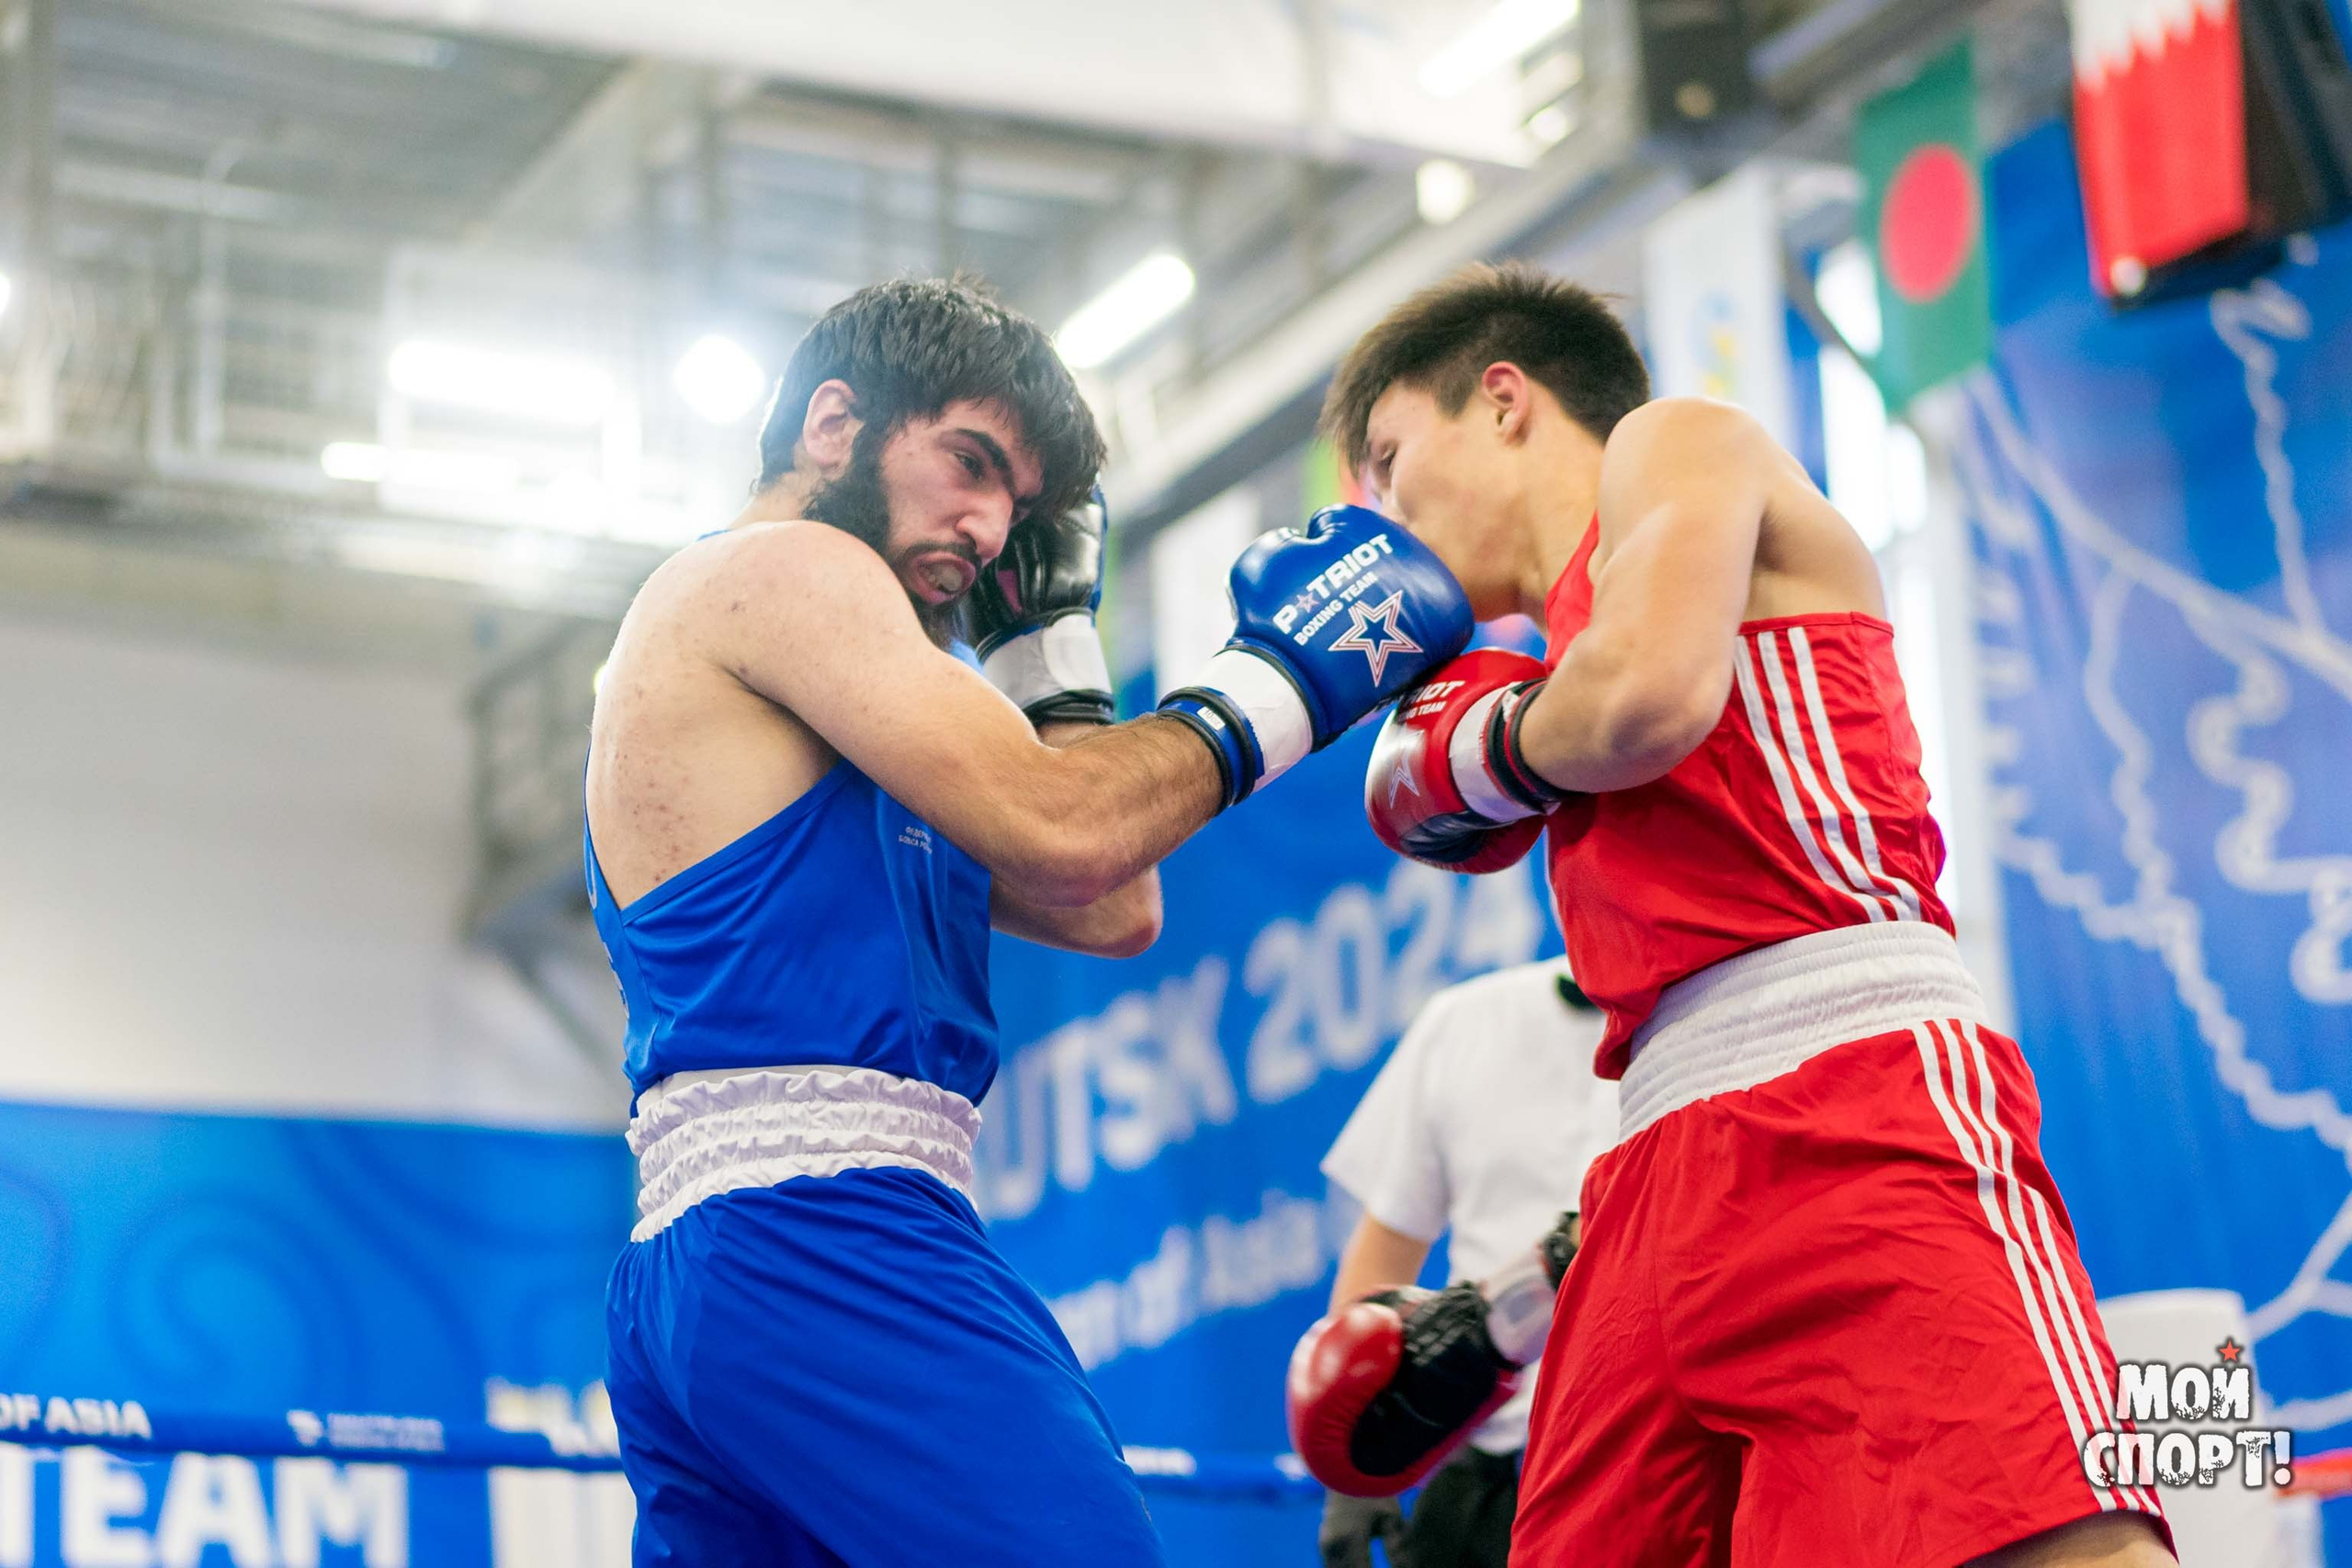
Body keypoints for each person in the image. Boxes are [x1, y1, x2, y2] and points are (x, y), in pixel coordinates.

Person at [582, 276, 1475, 1568]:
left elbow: (1109, 900)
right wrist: (1282, 677)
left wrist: (1048, 645)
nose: (992, 524)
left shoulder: (838, 686)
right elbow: (1071, 829)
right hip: (823, 1232)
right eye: (969, 461)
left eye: (1019, 504)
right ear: (833, 423)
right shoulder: (786, 567)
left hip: (728, 1257)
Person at [1321, 264, 2175, 1568]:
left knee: (2044, 1538)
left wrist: (1475, 746)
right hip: (1651, 1163)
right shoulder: (1551, 660)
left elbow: (1645, 701)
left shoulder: (1678, 447)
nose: (1383, 516)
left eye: (1388, 459)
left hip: (1852, 1090)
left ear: (1504, 400)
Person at [1312, 961, 1618, 1568]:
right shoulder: (1463, 1023)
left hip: (1646, 1463)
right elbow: (1384, 1255)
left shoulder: (1722, 1011)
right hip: (1481, 1477)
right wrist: (1353, 1472)